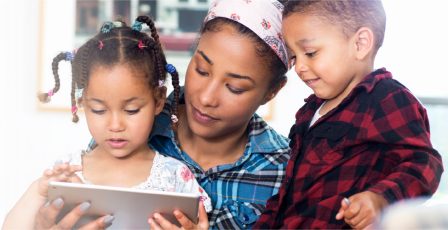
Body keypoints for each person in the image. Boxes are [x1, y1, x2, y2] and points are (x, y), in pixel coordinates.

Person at [9, 0, 291, 229]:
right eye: (201, 70)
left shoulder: (282, 170)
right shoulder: (120, 139)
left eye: (235, 87)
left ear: (272, 91)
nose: (206, 97)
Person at [2, 16, 212, 229]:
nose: (115, 125)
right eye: (99, 110)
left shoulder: (175, 177)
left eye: (131, 110)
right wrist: (38, 191)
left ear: (158, 101)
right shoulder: (68, 172)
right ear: (82, 102)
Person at [254, 0, 444, 229]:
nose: (299, 67)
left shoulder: (386, 99)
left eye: (310, 53)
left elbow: (423, 163)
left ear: (360, 43)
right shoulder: (308, 112)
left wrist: (382, 199)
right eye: (294, 56)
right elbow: (286, 194)